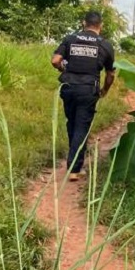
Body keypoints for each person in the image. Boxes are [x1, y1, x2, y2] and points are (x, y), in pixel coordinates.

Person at [50, 11, 116, 181]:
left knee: (72, 123)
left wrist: (64, 69)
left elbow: (55, 60)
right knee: (81, 126)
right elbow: (110, 74)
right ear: (101, 25)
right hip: (88, 90)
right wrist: (105, 90)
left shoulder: (70, 39)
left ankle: (75, 160)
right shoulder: (105, 45)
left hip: (68, 87)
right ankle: (74, 168)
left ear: (83, 23)